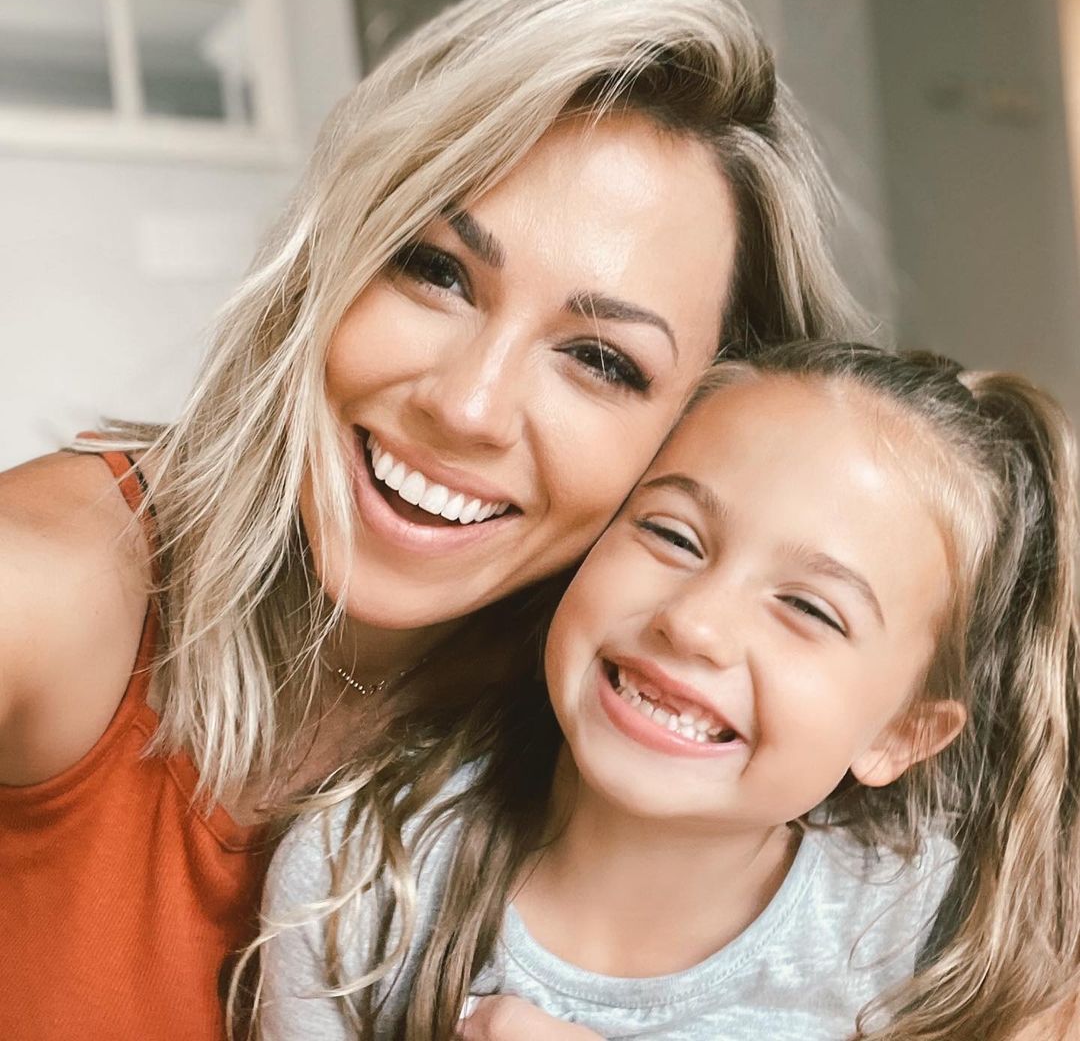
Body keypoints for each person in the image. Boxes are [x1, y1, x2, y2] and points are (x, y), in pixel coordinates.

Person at [0, 0, 864, 1040]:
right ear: (336, 250)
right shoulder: (70, 581)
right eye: (436, 270)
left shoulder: (695, 740)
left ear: (701, 435)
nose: (469, 405)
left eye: (600, 359)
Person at [258, 342, 1080, 1041]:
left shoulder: (946, 936)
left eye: (807, 608)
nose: (694, 624)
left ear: (899, 734)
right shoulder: (359, 879)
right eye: (672, 534)